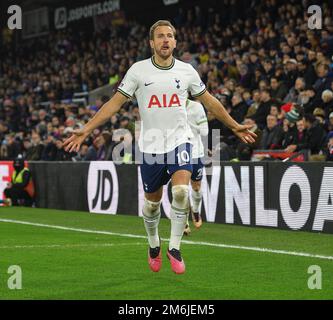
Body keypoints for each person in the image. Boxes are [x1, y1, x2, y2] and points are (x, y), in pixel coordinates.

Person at [63, 20, 256, 275]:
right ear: (151, 43)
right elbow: (114, 104)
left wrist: (233, 125)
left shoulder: (187, 71)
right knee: (152, 205)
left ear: (175, 42)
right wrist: (86, 129)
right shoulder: (138, 71)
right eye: (160, 36)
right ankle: (153, 243)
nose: (166, 40)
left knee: (180, 193)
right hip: (152, 145)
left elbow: (209, 101)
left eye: (170, 36)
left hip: (180, 141)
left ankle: (174, 248)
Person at [183, 99, 208, 236]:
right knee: (181, 188)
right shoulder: (172, 106)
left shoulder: (197, 107)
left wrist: (189, 125)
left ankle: (196, 211)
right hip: (180, 151)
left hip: (196, 152)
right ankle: (184, 222)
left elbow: (205, 132)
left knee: (196, 187)